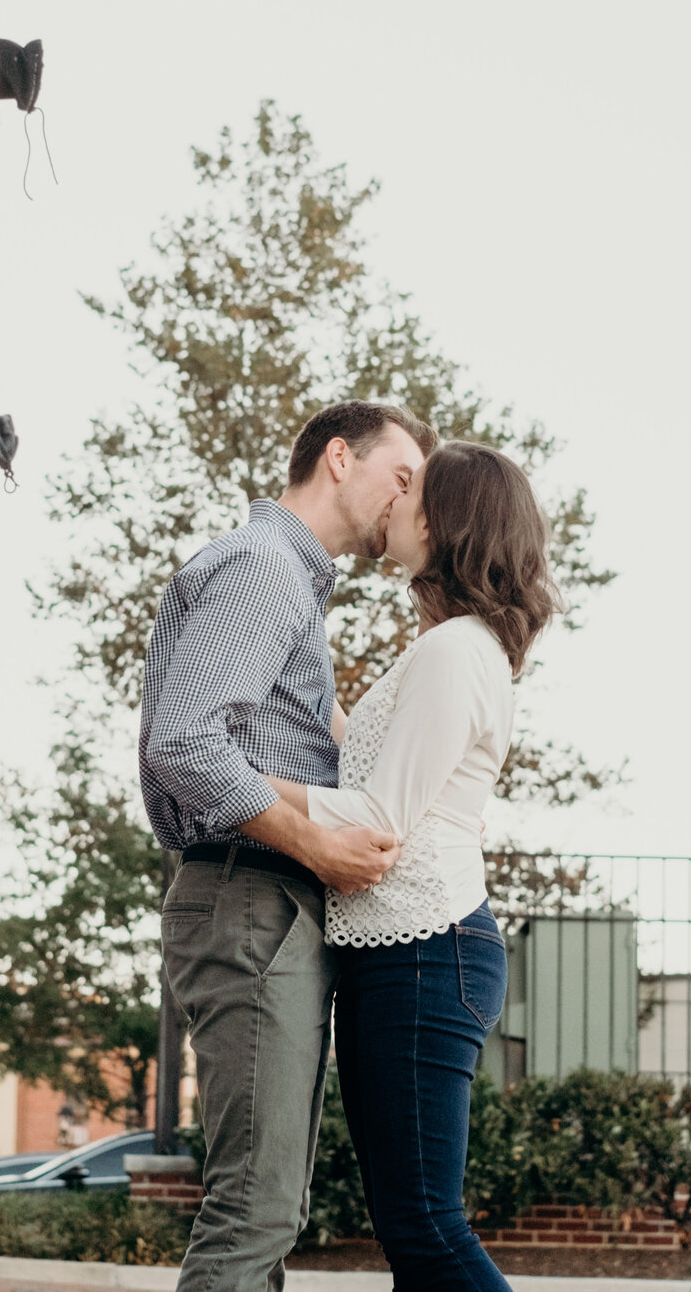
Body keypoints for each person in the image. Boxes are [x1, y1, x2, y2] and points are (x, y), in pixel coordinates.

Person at [141, 400, 438, 1292]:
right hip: (253, 893)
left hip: (256, 899)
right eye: (403, 475)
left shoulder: (287, 583)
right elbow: (186, 744)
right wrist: (315, 846)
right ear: (340, 458)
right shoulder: (266, 569)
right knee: (258, 1206)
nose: (410, 497)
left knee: (268, 1205)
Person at [261, 441, 560, 1292]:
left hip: (425, 953)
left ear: (446, 519)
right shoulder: (451, 647)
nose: (393, 500)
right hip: (405, 953)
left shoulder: (456, 650)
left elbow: (380, 819)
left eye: (413, 488)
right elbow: (369, 768)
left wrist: (231, 775)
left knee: (426, 1227)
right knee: (410, 1229)